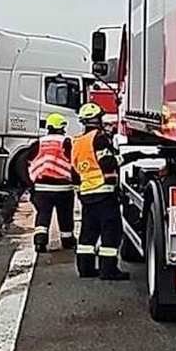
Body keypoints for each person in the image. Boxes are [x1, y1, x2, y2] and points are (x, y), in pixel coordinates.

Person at [71, 102, 130, 280]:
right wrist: (127, 157)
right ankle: (108, 270)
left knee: (88, 234)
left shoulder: (77, 142)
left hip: (87, 194)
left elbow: (74, 172)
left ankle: (85, 269)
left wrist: (80, 193)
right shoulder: (99, 138)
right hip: (104, 193)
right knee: (111, 232)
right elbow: (107, 163)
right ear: (97, 119)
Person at [26, 112, 78, 253]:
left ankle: (40, 242)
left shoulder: (39, 143)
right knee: (65, 215)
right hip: (64, 188)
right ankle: (67, 241)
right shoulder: (67, 142)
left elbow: (27, 162)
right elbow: (75, 163)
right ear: (62, 127)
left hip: (41, 188)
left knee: (42, 215)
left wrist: (30, 183)